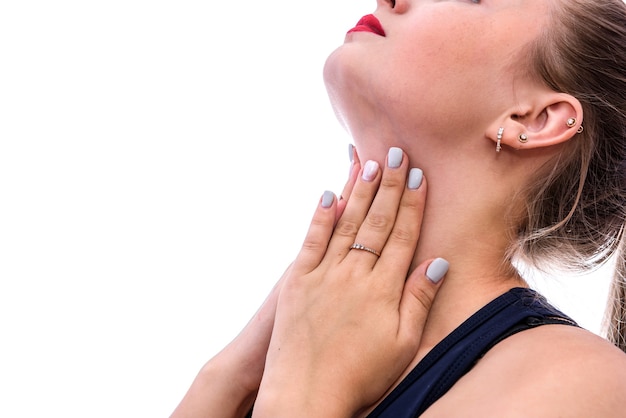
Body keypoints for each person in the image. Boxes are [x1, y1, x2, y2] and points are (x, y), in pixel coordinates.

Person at [171, 0, 626, 416]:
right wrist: (228, 378)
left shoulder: (578, 385)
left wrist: (304, 394)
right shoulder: (284, 345)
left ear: (534, 119)